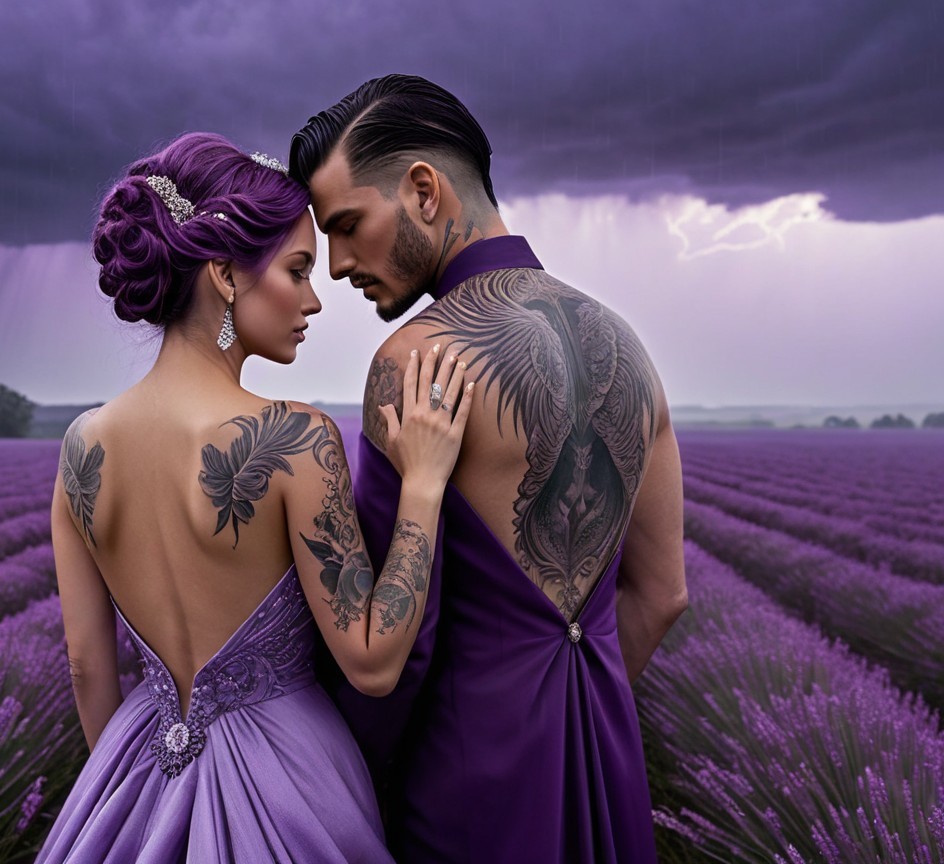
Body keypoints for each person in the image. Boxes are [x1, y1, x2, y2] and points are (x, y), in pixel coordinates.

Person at [34, 132, 474, 863]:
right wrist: (423, 486)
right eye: (297, 270)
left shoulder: (82, 447)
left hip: (136, 770)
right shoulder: (294, 439)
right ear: (225, 275)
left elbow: (87, 667)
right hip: (286, 786)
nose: (313, 300)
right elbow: (372, 662)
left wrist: (136, 797)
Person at [290, 75, 689, 862]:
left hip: (465, 786)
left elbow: (402, 637)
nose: (336, 265)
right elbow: (664, 593)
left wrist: (352, 777)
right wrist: (570, 713)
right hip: (604, 765)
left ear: (423, 190)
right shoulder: (628, 350)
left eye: (347, 225)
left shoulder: (418, 363)